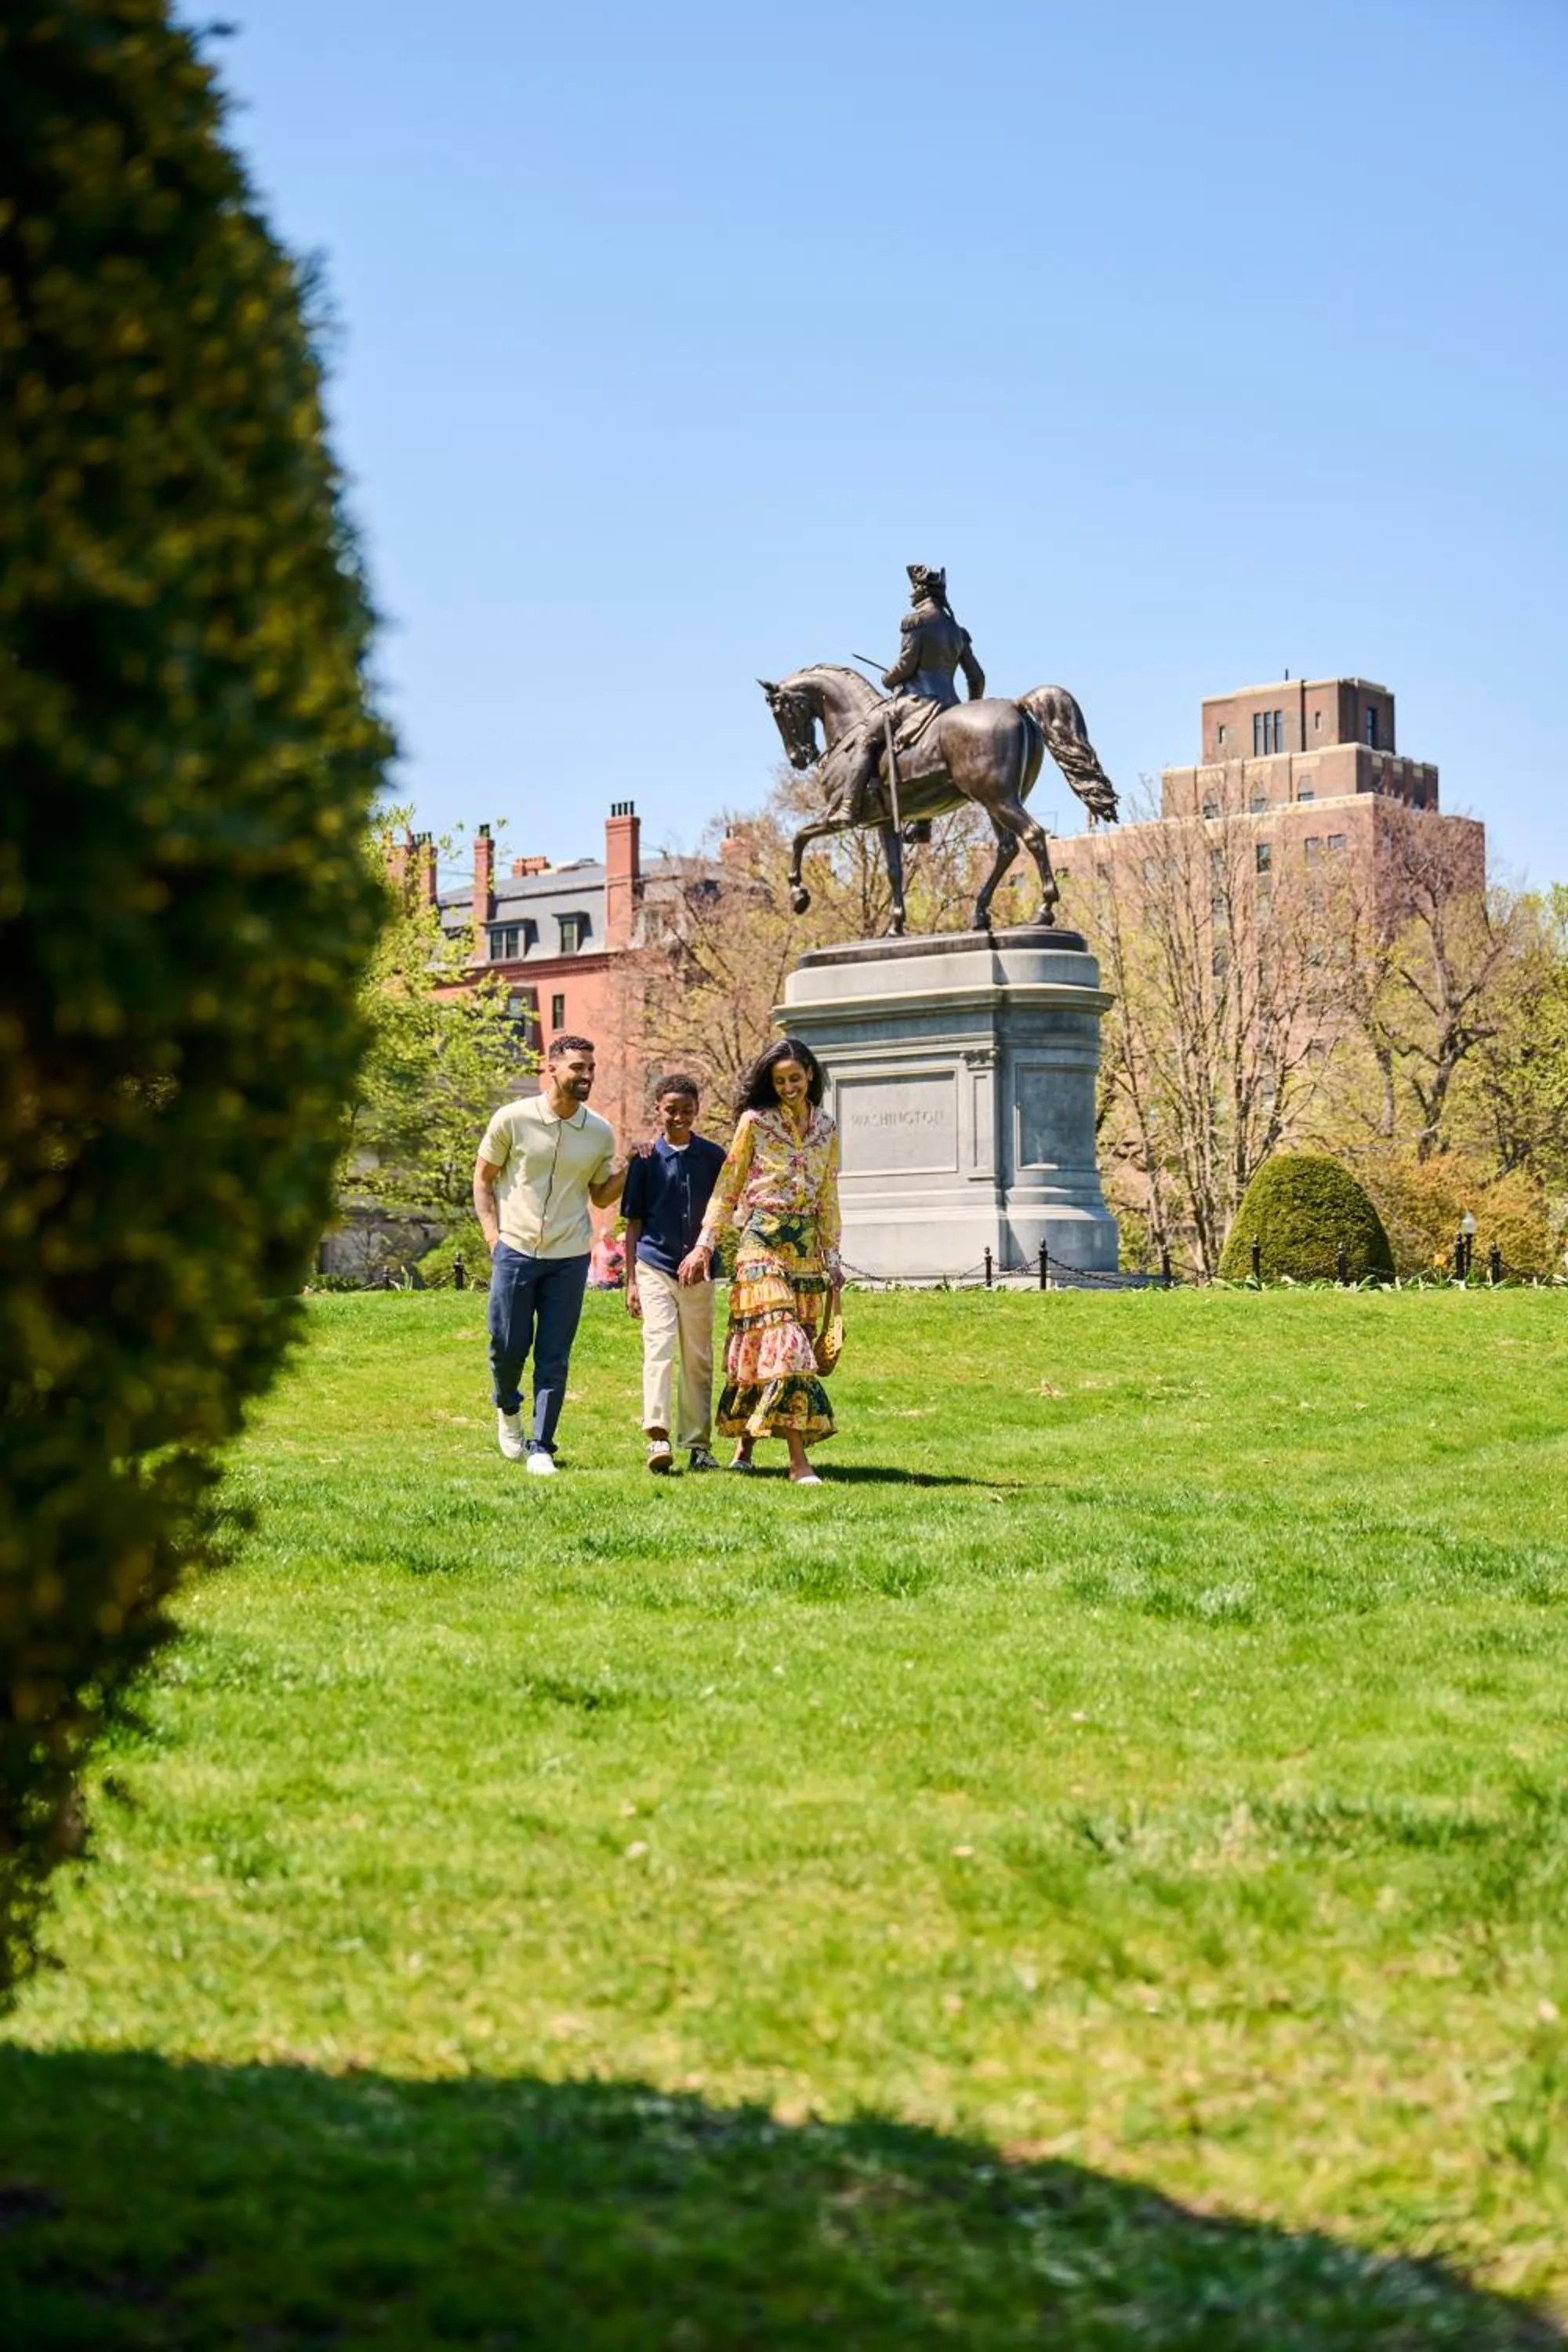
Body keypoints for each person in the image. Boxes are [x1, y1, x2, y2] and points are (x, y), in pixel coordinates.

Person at [678, 1037, 841, 1486]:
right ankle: (797, 1463)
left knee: (767, 1344)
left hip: (805, 1249)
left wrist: (833, 1258)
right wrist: (705, 1245)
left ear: (810, 1074)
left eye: (794, 1077)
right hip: (760, 1242)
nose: (788, 1086)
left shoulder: (827, 1128)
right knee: (783, 1342)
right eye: (779, 1080)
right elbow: (728, 1185)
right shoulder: (754, 1122)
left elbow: (828, 1193)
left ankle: (744, 1445)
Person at [473, 1034, 625, 1475]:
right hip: (515, 1250)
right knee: (506, 1347)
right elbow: (483, 1179)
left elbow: (599, 1197)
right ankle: (508, 1410)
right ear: (552, 1067)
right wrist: (492, 1237)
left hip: (570, 1256)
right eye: (578, 1067)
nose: (587, 1076)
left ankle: (541, 1445)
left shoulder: (599, 1131)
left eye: (591, 1068)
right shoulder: (513, 1119)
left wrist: (628, 1170)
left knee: (554, 1354)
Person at [622, 1074, 728, 1475]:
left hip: (698, 1272)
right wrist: (631, 1280)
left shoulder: (713, 1158)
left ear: (696, 1111)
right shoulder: (645, 1160)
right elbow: (633, 1223)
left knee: (698, 1357)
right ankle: (658, 1435)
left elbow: (721, 1213)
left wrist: (707, 1252)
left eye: (686, 1110)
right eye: (671, 1110)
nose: (678, 1117)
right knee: (659, 1346)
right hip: (654, 1265)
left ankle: (698, 1444)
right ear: (658, 1111)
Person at [840, 562, 987, 827]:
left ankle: (848, 807)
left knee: (865, 739)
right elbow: (977, 677)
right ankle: (922, 825)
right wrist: (971, 710)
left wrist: (888, 679)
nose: (910, 595)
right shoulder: (957, 631)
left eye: (913, 589)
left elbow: (906, 665)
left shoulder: (915, 623)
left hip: (917, 703)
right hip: (951, 705)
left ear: (921, 591)